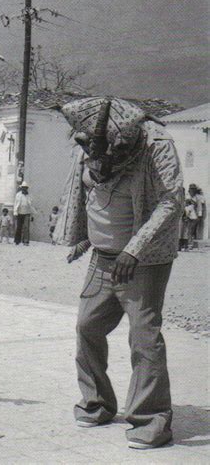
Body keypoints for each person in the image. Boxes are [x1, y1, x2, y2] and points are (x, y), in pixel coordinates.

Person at [54, 97, 183, 449]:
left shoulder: (157, 143)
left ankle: (152, 419)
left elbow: (171, 200)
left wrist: (134, 249)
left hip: (143, 261)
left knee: (143, 337)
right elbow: (85, 191)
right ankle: (97, 403)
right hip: (103, 257)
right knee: (87, 325)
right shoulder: (86, 144)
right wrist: (81, 237)